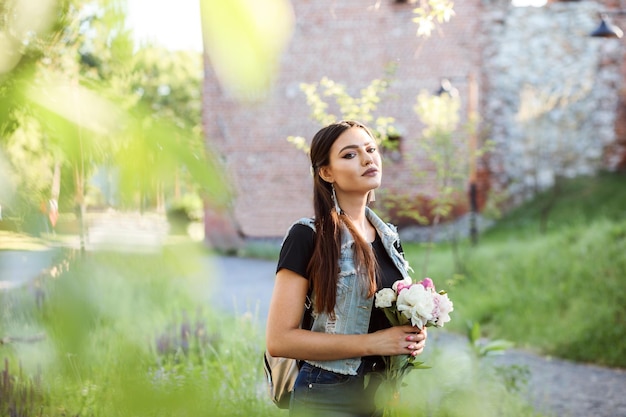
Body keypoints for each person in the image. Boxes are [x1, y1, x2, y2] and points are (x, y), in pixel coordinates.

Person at [266, 120, 427, 417]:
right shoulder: (307, 236)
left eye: (371, 149)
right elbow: (279, 340)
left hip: (381, 393)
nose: (367, 159)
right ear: (326, 172)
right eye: (350, 154)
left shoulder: (389, 237)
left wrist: (408, 336)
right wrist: (373, 343)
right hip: (326, 395)